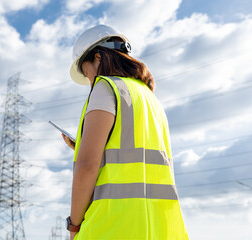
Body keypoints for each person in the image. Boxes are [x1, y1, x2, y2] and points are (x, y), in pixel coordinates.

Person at [62, 25, 189, 240]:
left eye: (86, 72)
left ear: (99, 58)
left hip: (114, 227)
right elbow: (135, 157)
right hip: (161, 229)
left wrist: (74, 226)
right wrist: (83, 144)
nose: (89, 80)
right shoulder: (151, 99)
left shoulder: (106, 88)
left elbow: (87, 166)